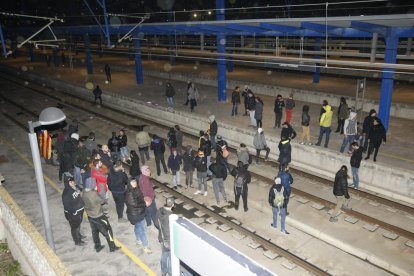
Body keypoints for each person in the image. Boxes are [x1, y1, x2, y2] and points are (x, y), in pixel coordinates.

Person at [82, 177, 120, 252]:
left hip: (90, 215)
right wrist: (99, 193)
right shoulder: (93, 193)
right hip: (98, 215)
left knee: (95, 231)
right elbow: (102, 201)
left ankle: (97, 246)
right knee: (108, 230)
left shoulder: (84, 192)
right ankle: (112, 247)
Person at [125, 178, 152, 254]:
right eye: (132, 182)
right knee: (142, 230)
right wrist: (144, 204)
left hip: (138, 212)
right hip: (136, 214)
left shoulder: (136, 189)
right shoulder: (129, 193)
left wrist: (143, 200)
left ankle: (138, 240)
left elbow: (139, 199)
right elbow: (134, 204)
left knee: (137, 227)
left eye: (135, 181)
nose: (135, 183)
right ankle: (146, 247)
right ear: (129, 184)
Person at [62, 176, 86, 246]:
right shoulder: (66, 193)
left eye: (73, 181)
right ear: (67, 183)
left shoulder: (74, 187)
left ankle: (79, 235)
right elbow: (67, 206)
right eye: (71, 182)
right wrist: (74, 213)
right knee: (74, 227)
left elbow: (80, 190)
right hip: (73, 214)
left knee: (78, 225)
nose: (73, 182)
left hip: (79, 211)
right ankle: (77, 241)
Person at [154, 197, 174, 276]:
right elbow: (171, 230)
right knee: (171, 257)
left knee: (164, 255)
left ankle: (163, 271)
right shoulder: (171, 216)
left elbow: (156, 223)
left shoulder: (159, 210)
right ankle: (170, 272)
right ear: (172, 205)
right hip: (168, 241)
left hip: (161, 237)